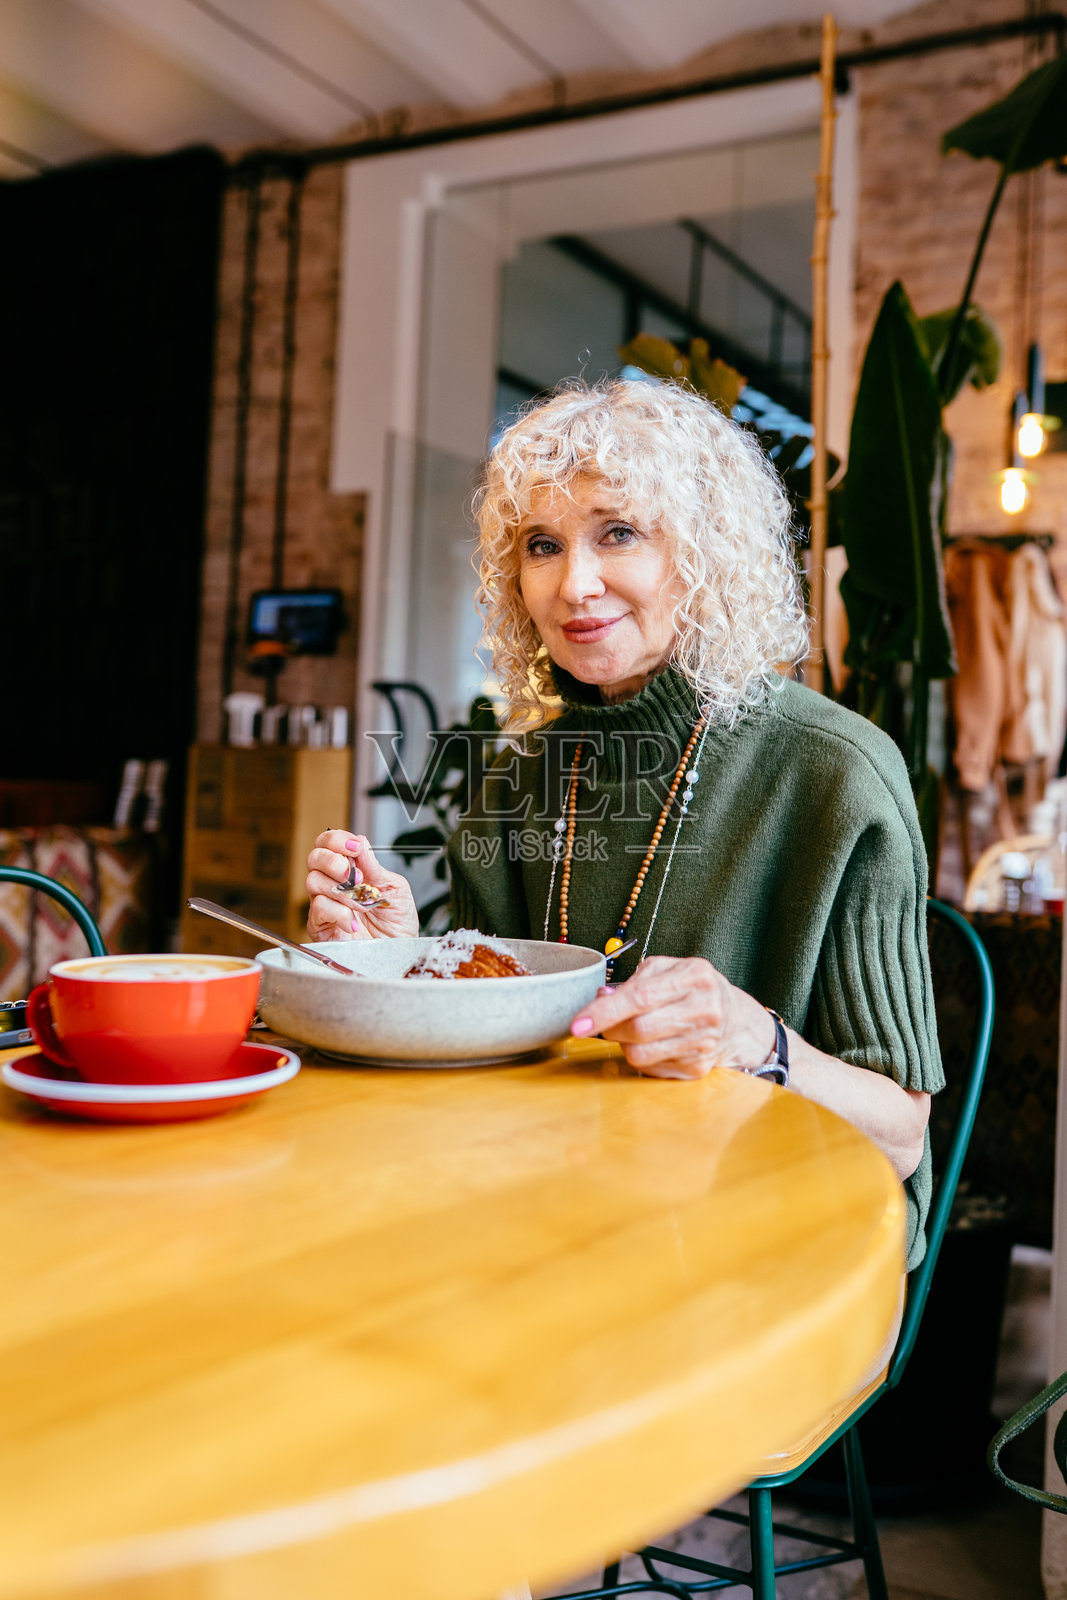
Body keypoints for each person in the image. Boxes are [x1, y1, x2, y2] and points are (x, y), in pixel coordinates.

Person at [306, 379, 942, 1271]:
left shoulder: (833, 770)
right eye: (540, 545)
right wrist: (405, 959)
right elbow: (502, 1041)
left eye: (618, 532)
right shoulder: (522, 768)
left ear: (704, 552)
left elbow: (902, 1137)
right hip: (561, 1200)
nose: (575, 584)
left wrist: (749, 1038)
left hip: (779, 1227)